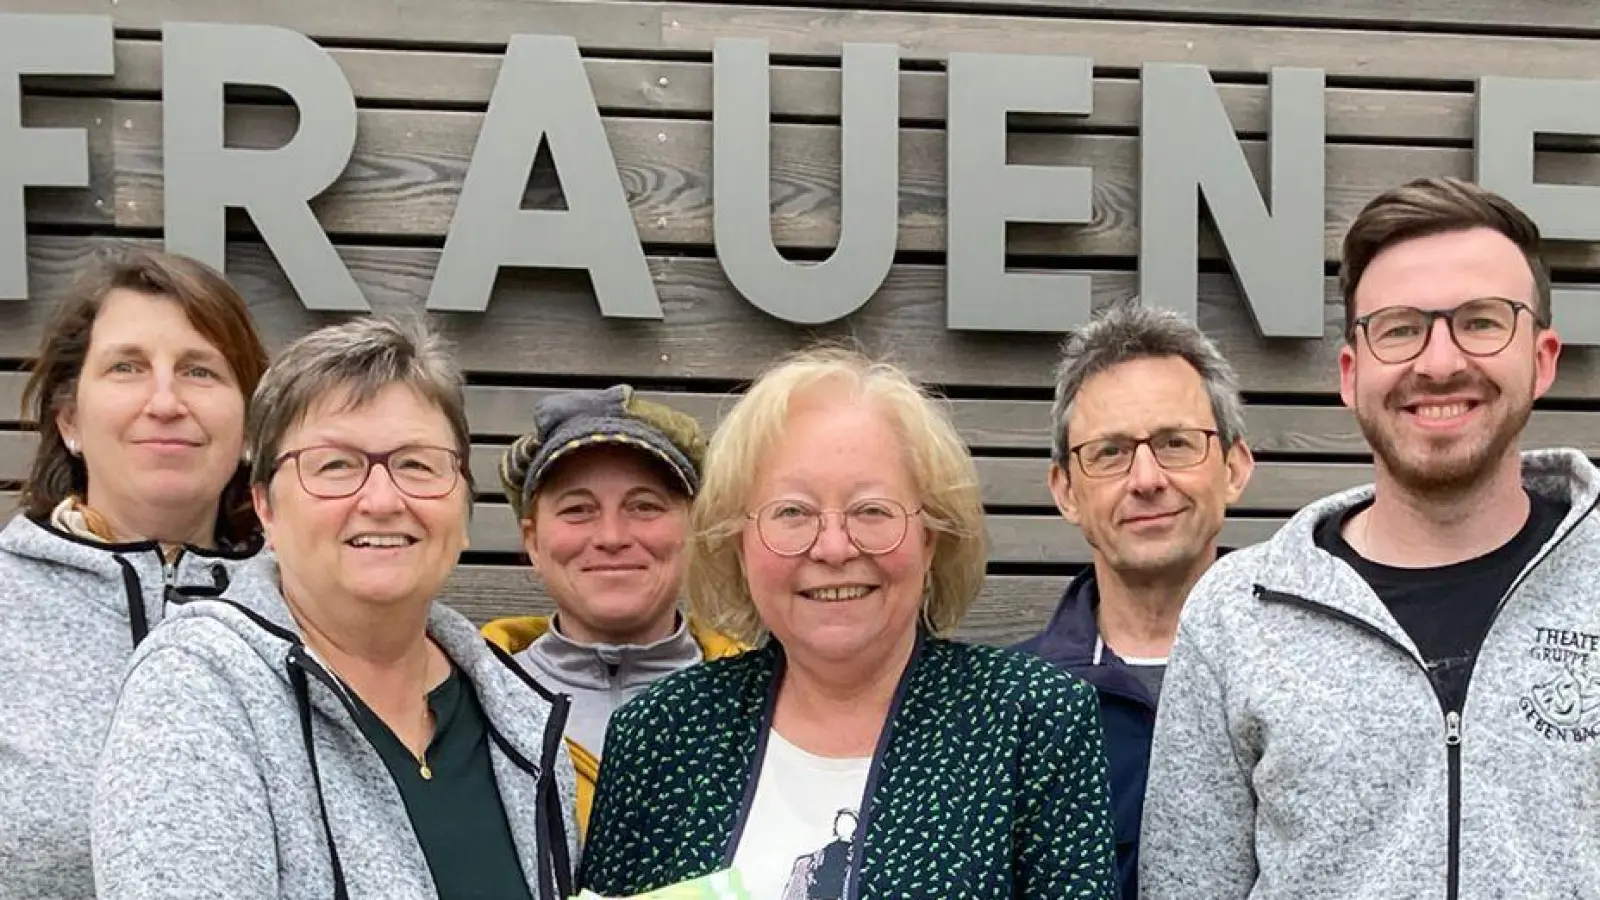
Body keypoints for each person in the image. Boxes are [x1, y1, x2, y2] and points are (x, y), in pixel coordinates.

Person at [1140, 176, 1600, 899]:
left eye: (1482, 322)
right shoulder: (1235, 617)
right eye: (1400, 328)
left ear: (1542, 359)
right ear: (1351, 374)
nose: (1440, 362)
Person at [578, 345, 1118, 899]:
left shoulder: (1033, 722)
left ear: (930, 538)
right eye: (792, 513)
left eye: (871, 510)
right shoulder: (659, 738)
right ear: (738, 543)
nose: (834, 547)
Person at [90, 316, 579, 899]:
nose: (381, 500)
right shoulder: (198, 690)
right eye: (335, 465)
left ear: (463, 504)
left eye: (418, 464)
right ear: (265, 506)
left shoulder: (519, 720)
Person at [0, 246, 271, 900]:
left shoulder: (313, 614)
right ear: (70, 420)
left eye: (200, 371)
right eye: (127, 367)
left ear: (249, 433)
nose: (165, 401)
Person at [1012, 303, 1254, 900]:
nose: (1146, 479)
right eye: (1110, 452)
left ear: (1234, 467)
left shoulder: (1314, 682)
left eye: (1175, 443)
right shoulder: (1010, 708)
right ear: (1065, 489)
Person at [483, 385, 745, 834]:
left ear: (694, 528)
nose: (611, 535)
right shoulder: (465, 703)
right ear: (533, 542)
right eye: (578, 509)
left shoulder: (767, 701)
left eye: (644, 506)